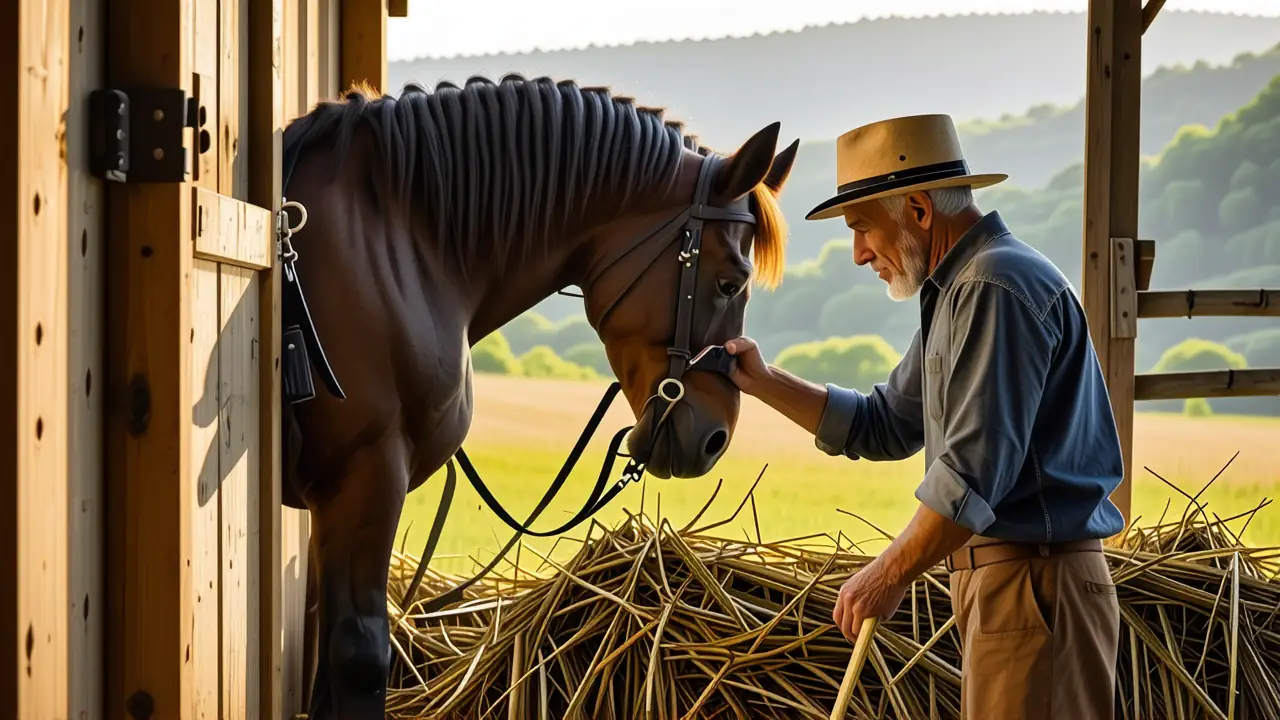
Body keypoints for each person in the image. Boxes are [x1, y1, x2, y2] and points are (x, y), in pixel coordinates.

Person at [722, 114, 1124, 719]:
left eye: (861, 228)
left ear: (916, 209)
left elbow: (970, 475)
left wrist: (884, 575)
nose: (859, 254)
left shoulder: (994, 287)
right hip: (1012, 591)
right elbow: (884, 423)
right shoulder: (961, 289)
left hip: (1034, 591)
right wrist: (763, 380)